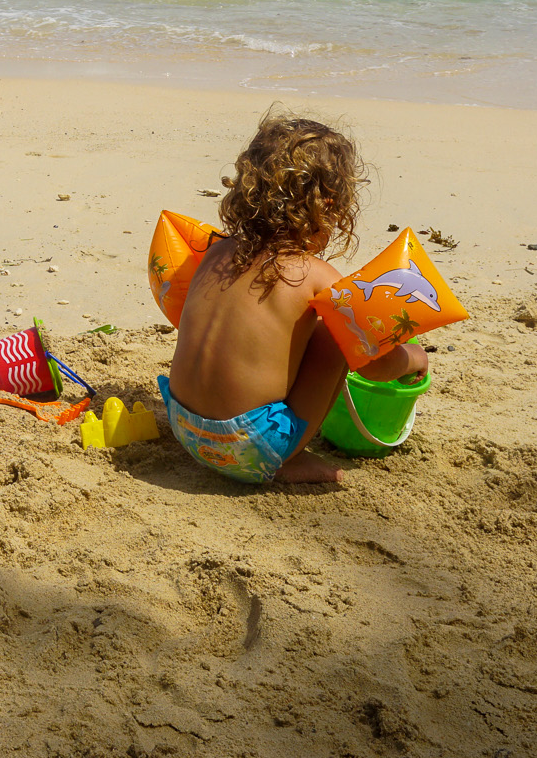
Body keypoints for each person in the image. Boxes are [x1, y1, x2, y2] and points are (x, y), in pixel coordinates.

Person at [162, 113, 428, 486]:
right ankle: (291, 458)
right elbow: (373, 366)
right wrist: (414, 358)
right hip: (249, 450)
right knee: (337, 333)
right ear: (330, 207)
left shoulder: (215, 252)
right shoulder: (315, 276)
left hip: (183, 427)